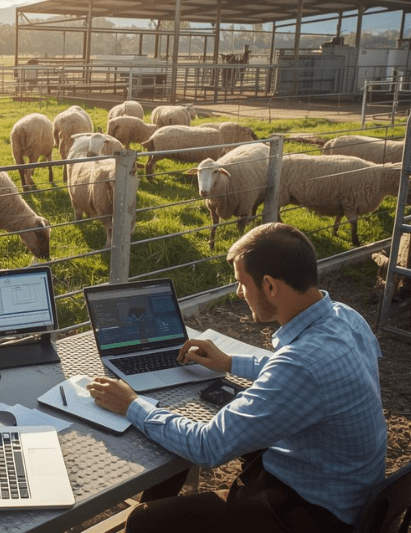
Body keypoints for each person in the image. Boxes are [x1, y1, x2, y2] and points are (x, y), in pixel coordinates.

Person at [88, 222, 387, 532]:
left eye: (241, 283)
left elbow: (207, 447)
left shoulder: (301, 366)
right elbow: (306, 374)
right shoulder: (345, 317)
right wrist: (229, 362)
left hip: (310, 515)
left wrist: (131, 404)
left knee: (144, 520)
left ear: (269, 286)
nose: (238, 292)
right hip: (346, 491)